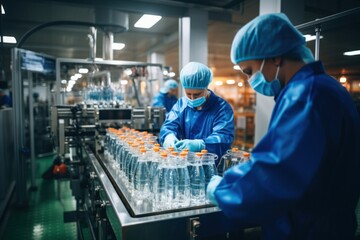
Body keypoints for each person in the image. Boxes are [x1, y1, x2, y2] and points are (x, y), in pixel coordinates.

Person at [206, 13, 360, 239]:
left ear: (275, 58)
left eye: (249, 71)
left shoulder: (306, 96)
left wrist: (225, 190)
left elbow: (277, 172)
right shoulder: (322, 88)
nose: (251, 80)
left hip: (308, 229)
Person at [159, 62, 234, 160]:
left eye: (197, 94)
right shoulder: (181, 104)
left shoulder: (221, 108)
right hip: (187, 162)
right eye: (188, 94)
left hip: (212, 163)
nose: (192, 98)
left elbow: (223, 137)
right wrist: (169, 136)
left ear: (206, 87)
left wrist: (201, 145)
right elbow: (169, 125)